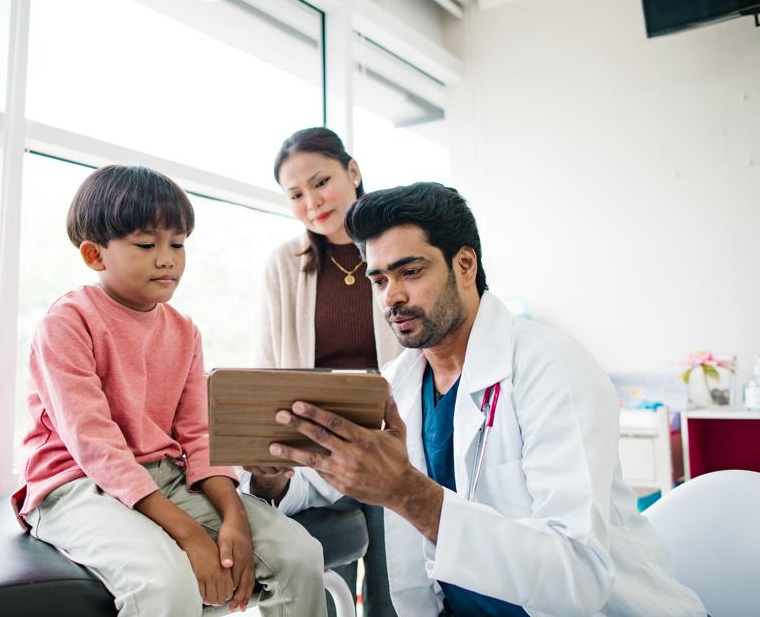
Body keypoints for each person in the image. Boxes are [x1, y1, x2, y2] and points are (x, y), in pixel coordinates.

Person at [252, 182, 706, 616]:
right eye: (379, 280)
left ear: (465, 265)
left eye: (411, 271)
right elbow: (315, 480)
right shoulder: (397, 383)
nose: (392, 297)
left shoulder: (553, 368)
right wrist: (272, 477)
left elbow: (580, 576)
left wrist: (409, 494)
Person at [11, 165, 325, 616]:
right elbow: (95, 445)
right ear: (94, 255)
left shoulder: (184, 332)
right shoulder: (67, 323)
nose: (167, 259)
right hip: (74, 484)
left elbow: (198, 435)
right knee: (165, 582)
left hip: (164, 475)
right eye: (146, 245)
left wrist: (234, 514)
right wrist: (192, 535)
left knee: (299, 554)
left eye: (177, 244)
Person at [247, 127, 402, 616]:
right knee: (323, 589)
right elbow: (267, 368)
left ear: (352, 172)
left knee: (395, 584)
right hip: (316, 444)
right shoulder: (283, 265)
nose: (311, 201)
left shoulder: (394, 252)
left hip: (392, 437)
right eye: (295, 194)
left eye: (321, 182)